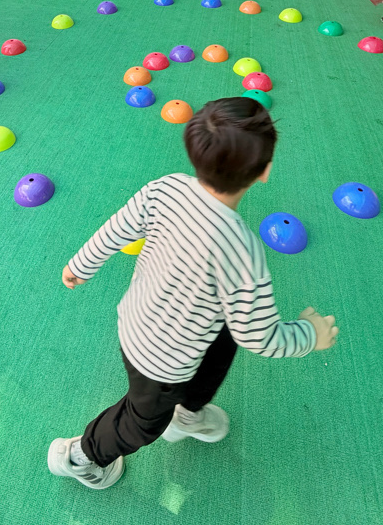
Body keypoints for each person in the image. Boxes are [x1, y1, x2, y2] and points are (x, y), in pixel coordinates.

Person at [47, 98, 339, 491]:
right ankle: (82, 456)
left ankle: (186, 415)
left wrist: (79, 265)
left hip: (152, 319)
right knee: (142, 422)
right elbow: (260, 336)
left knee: (222, 341)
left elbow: (116, 229)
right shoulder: (242, 250)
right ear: (264, 171)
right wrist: (310, 335)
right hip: (160, 359)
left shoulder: (165, 188)